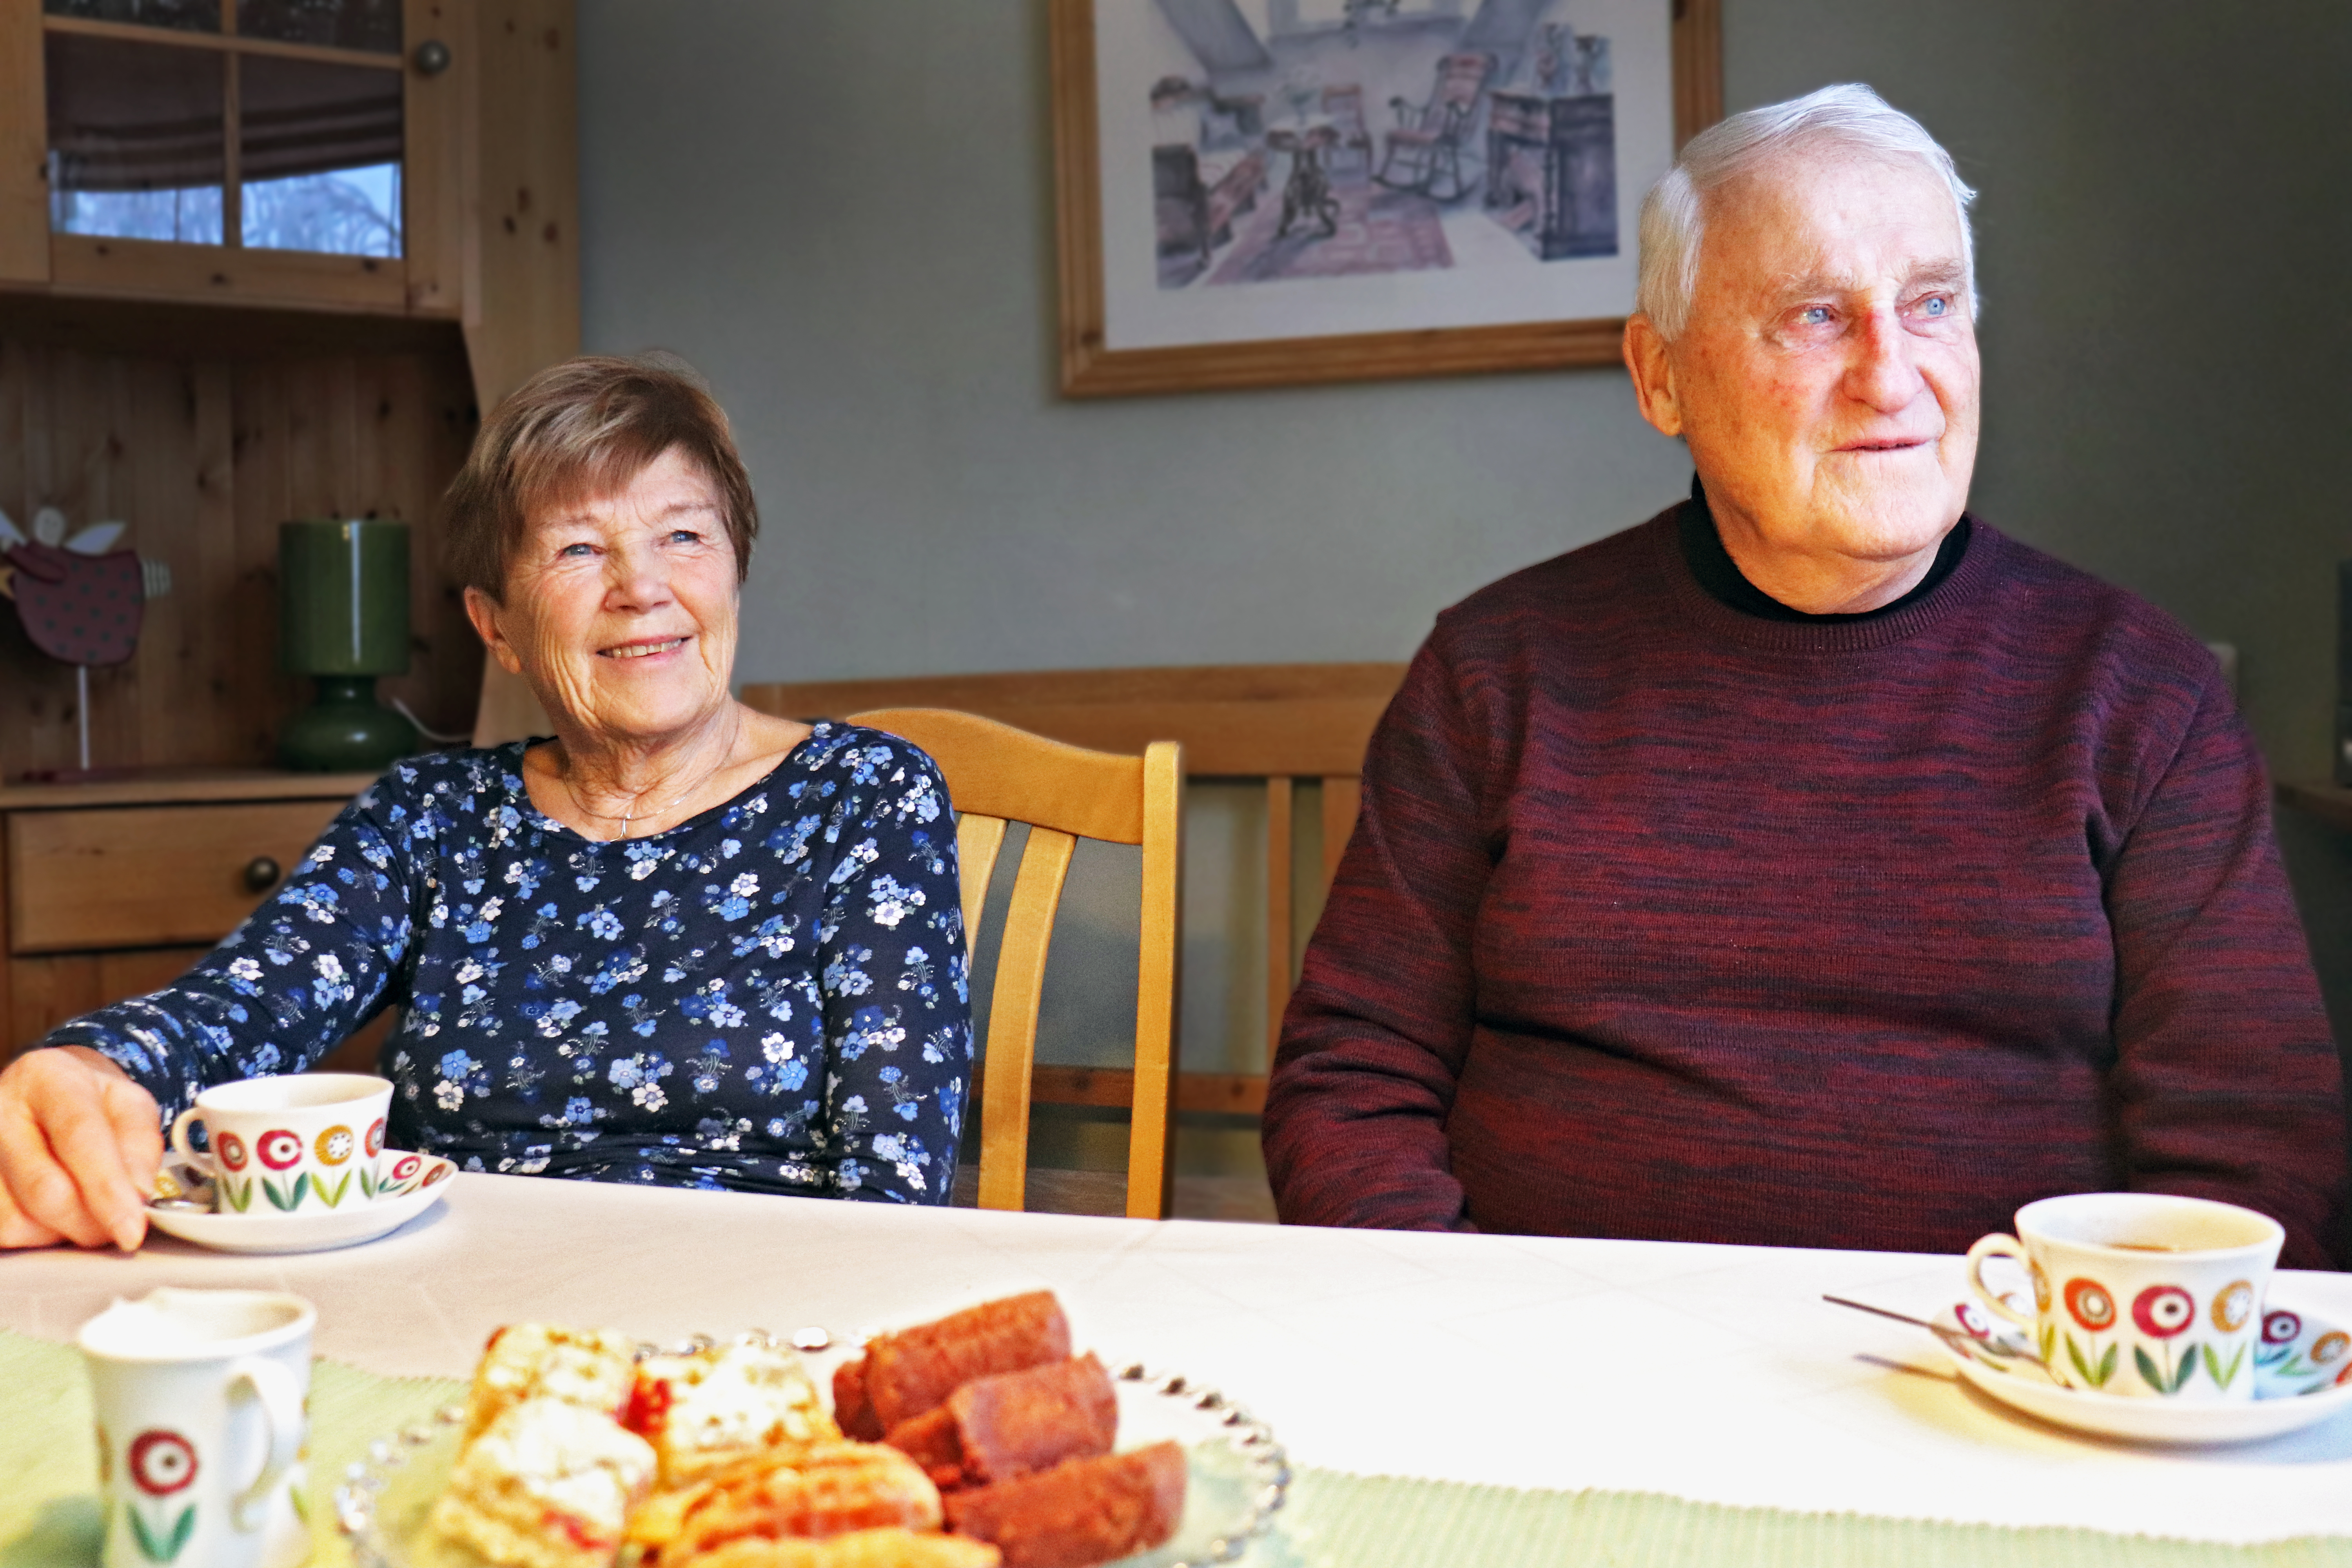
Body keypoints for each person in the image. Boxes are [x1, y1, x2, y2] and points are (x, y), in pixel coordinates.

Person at [1262, 85, 2348, 1267]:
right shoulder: (1497, 672)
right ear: (1661, 375)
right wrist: (1464, 1332)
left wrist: (2107, 1389)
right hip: (1555, 1377)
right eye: (1817, 316)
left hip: (2004, 1397)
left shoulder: (2143, 695)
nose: (1892, 376)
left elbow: (2254, 1142)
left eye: (1931, 305)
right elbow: (1352, 1079)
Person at [0, 354, 973, 1250]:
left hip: (745, 1315)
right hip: (447, 1294)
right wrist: (94, 1067)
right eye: (579, 550)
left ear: (734, 567)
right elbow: (247, 1001)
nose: (643, 586)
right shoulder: (433, 815)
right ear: (497, 625)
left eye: (684, 534)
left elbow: (894, 1192)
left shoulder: (864, 795)